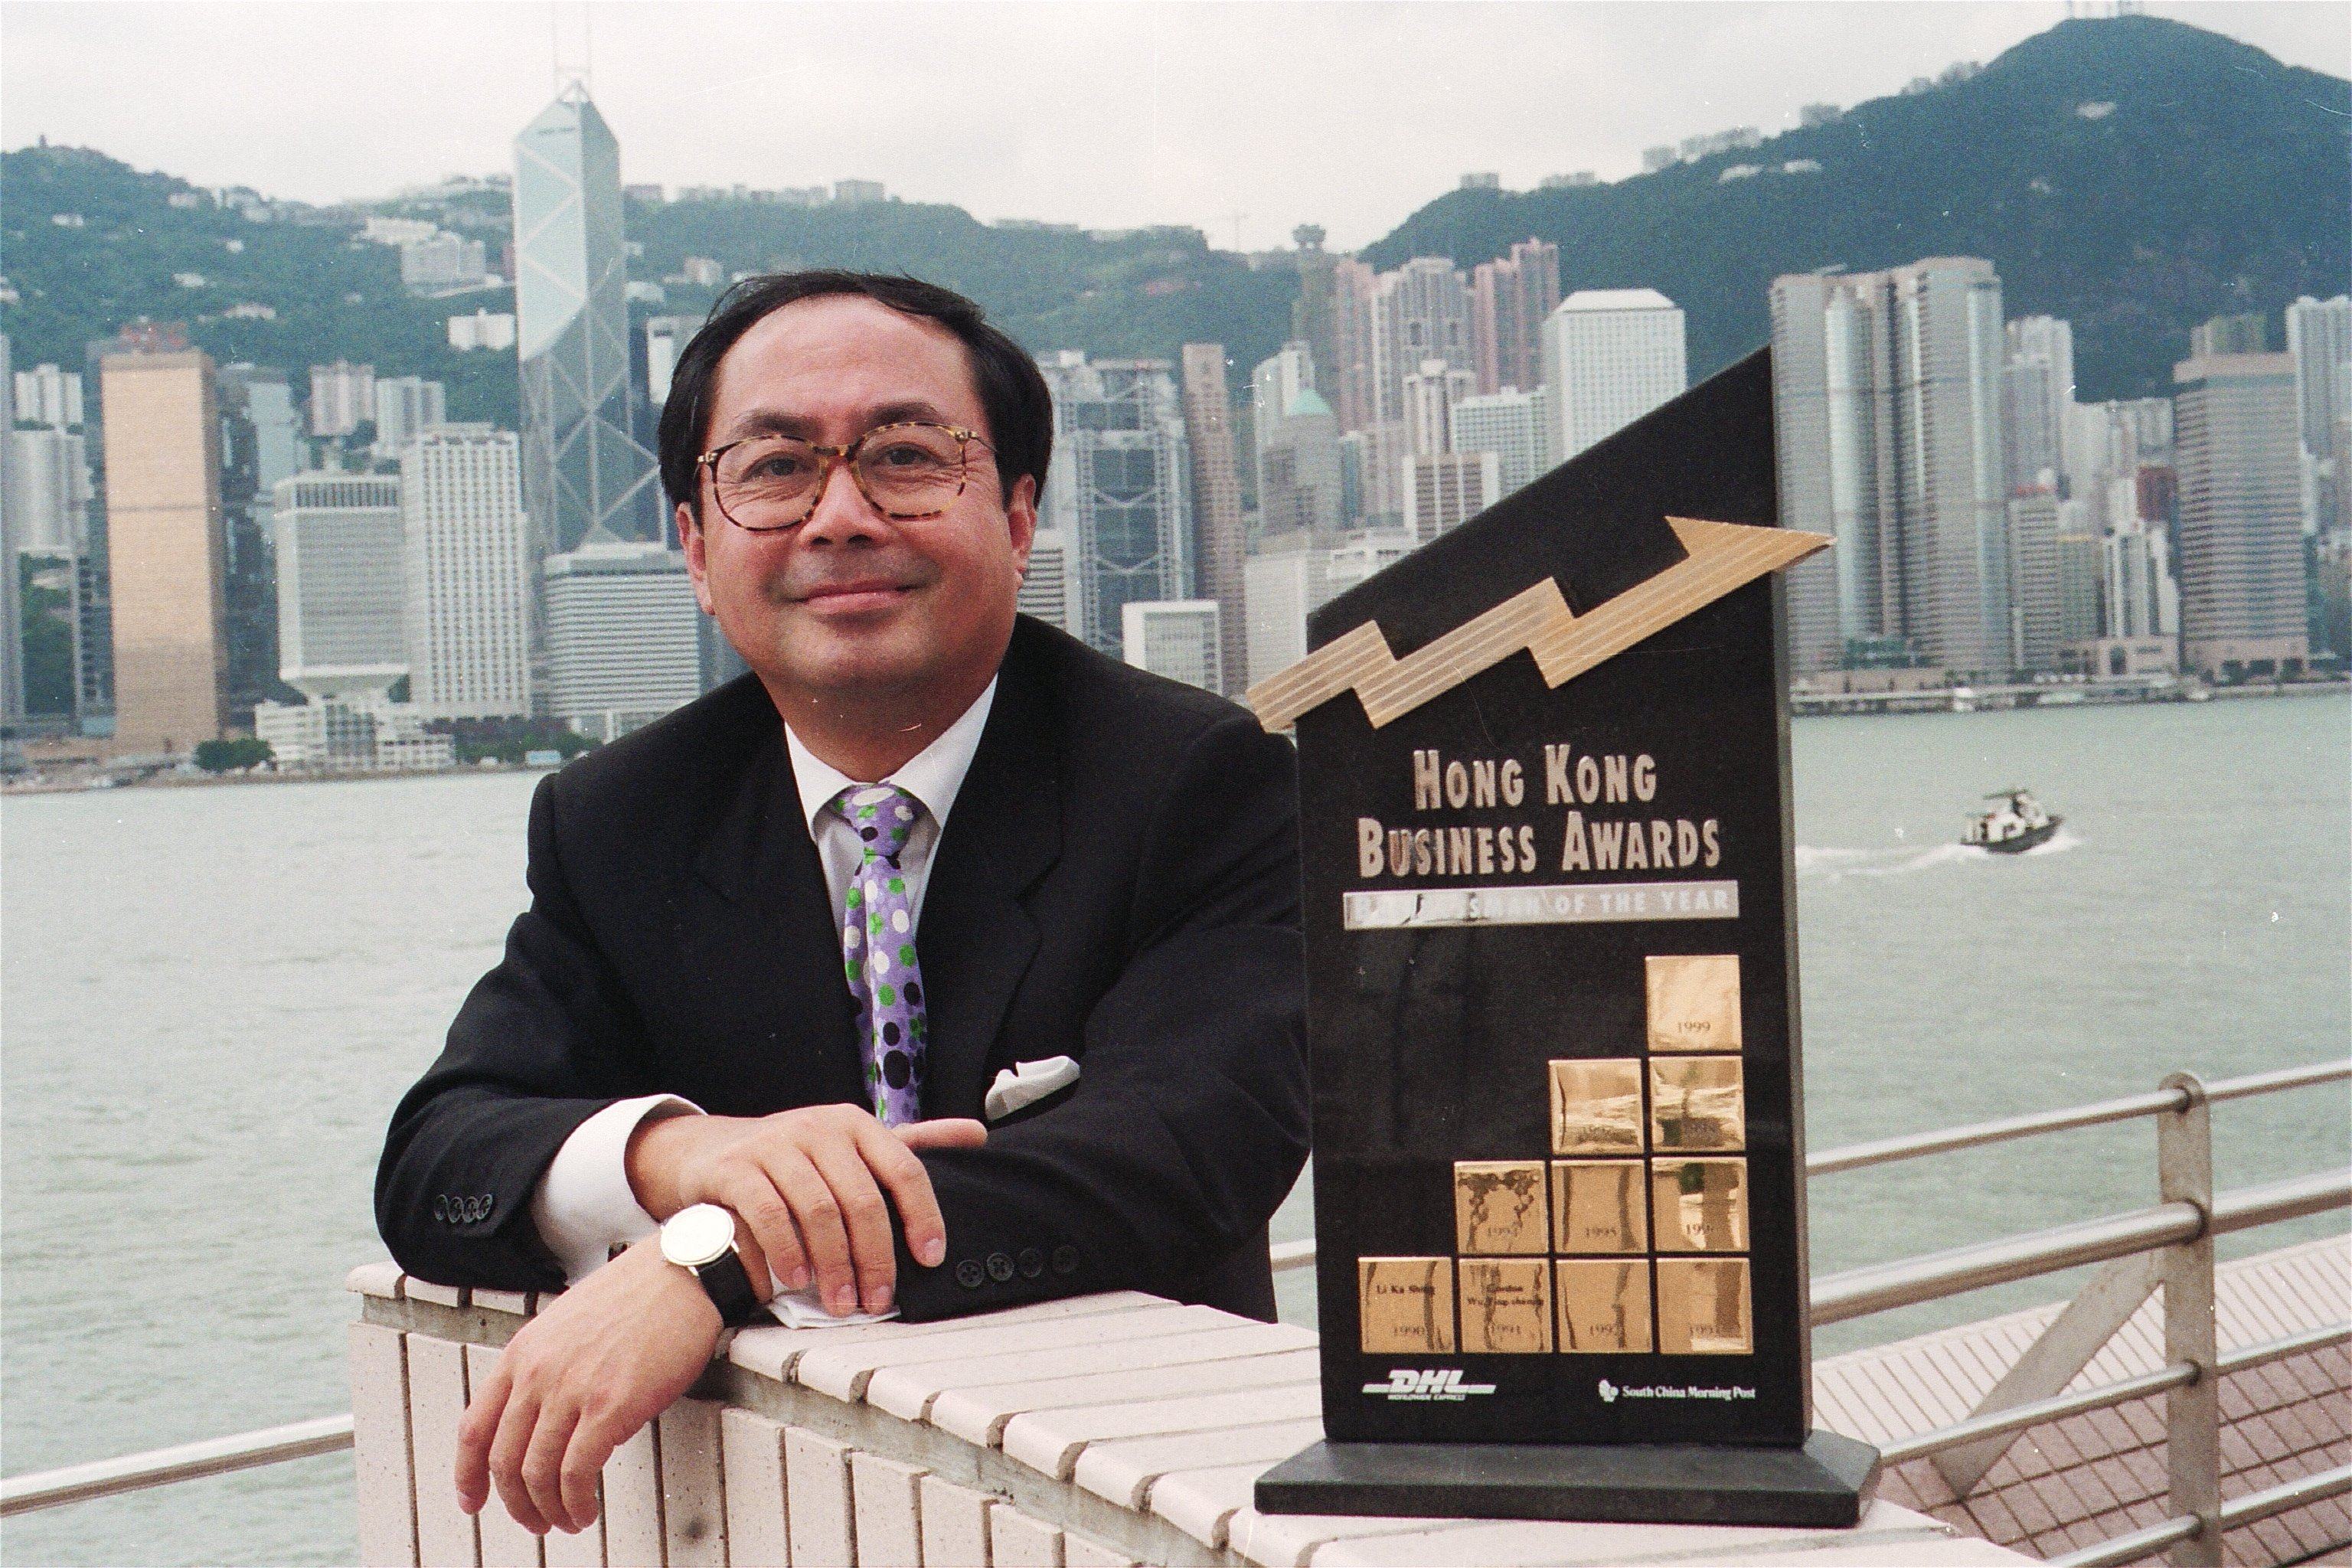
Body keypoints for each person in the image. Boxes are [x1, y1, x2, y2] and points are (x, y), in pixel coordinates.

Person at [372, 272, 1309, 1539]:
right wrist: (681, 1153)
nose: (843, 516)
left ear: (1021, 514)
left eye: (907, 457)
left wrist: (723, 1254)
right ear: (699, 549)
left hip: (1122, 1500)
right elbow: (440, 1158)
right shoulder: (621, 819)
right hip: (767, 1522)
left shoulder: (1198, 782)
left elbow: (1181, 1158)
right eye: (775, 471)